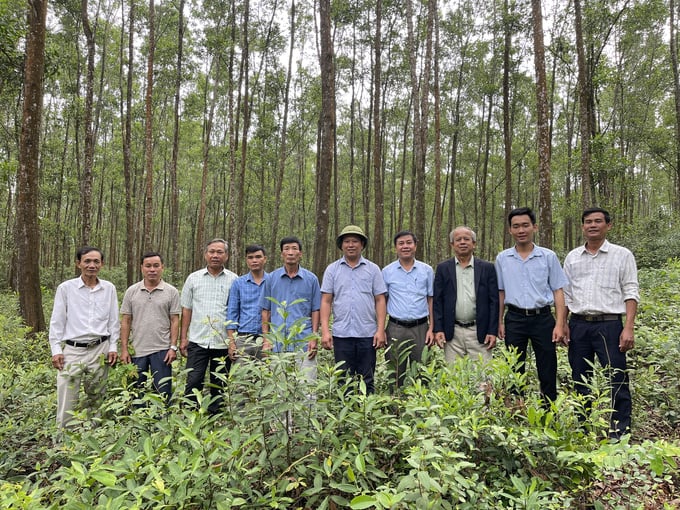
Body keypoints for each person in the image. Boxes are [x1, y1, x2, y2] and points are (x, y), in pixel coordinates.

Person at [563, 207, 639, 439]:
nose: (593, 225)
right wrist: (562, 323)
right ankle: (584, 429)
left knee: (616, 377)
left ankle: (619, 431)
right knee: (580, 377)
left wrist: (628, 327)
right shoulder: (572, 257)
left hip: (609, 325)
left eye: (598, 221)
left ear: (608, 225)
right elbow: (566, 293)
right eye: (588, 221)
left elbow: (631, 290)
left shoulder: (622, 255)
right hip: (578, 325)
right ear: (582, 226)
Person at [495, 207, 568, 403]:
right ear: (510, 230)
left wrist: (560, 324)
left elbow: (558, 291)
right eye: (516, 226)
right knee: (514, 367)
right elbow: (500, 292)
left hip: (542, 318)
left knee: (547, 366)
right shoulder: (503, 258)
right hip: (514, 318)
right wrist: (499, 321)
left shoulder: (548, 256)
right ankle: (516, 409)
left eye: (525, 225)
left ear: (534, 227)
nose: (521, 230)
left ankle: (548, 409)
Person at [48, 246, 120, 428]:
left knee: (97, 396)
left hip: (100, 348)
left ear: (102, 264)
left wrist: (113, 347)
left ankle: (94, 436)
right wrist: (56, 350)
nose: (92, 265)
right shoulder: (66, 288)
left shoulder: (109, 288)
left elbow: (113, 320)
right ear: (78, 263)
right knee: (67, 397)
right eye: (87, 261)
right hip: (72, 350)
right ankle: (63, 439)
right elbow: (57, 321)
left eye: (96, 261)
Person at [320, 225, 387, 394]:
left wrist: (380, 330)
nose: (351, 245)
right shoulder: (332, 269)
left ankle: (368, 415)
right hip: (341, 334)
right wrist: (325, 331)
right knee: (343, 379)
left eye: (355, 241)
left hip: (367, 334)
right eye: (347, 241)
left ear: (362, 245)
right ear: (341, 245)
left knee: (368, 378)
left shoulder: (373, 269)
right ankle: (346, 416)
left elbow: (380, 300)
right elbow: (326, 301)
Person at [180, 238, 238, 415]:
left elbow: (235, 311)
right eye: (212, 251)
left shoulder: (234, 280)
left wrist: (232, 341)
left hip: (222, 341)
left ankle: (215, 417)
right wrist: (183, 338)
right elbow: (187, 309)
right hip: (198, 340)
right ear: (206, 254)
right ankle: (190, 415)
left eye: (220, 252)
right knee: (194, 380)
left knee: (218, 383)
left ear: (226, 256)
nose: (215, 255)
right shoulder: (193, 278)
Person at [120, 252, 180, 402]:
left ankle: (162, 421)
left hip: (162, 350)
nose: (152, 269)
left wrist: (173, 347)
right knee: (135, 392)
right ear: (142, 268)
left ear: (162, 268)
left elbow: (174, 320)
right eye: (148, 266)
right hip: (137, 350)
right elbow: (126, 320)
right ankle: (136, 421)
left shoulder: (171, 292)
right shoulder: (132, 291)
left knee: (162, 393)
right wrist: (124, 348)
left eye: (156, 266)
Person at [433, 226, 499, 364]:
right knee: (453, 378)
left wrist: (493, 331)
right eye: (458, 239)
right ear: (452, 244)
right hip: (453, 333)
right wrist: (438, 329)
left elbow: (494, 302)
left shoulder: (487, 268)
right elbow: (437, 301)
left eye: (466, 239)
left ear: (474, 244)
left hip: (479, 331)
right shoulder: (443, 268)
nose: (462, 242)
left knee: (483, 378)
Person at [261, 237, 321, 378]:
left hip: (303, 343)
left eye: (294, 248)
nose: (290, 252)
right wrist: (266, 339)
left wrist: (314, 338)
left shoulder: (311, 279)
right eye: (286, 249)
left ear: (300, 253)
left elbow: (315, 310)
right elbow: (266, 311)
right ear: (282, 254)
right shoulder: (271, 279)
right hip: (277, 343)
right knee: (280, 390)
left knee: (307, 388)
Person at [382, 230, 435, 389]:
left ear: (415, 246)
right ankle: (395, 407)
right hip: (395, 328)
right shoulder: (387, 271)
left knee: (422, 371)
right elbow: (382, 301)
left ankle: (421, 408)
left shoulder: (426, 270)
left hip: (421, 328)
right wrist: (380, 329)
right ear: (396, 248)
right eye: (401, 243)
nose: (405, 246)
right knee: (395, 371)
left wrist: (432, 328)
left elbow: (431, 299)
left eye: (409, 243)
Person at [227, 245, 269, 363]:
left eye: (258, 257)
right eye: (250, 257)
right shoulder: (238, 283)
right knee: (241, 379)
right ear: (246, 260)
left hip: (267, 339)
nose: (254, 260)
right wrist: (231, 343)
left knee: (266, 378)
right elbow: (232, 314)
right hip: (243, 339)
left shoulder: (273, 281)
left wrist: (269, 340)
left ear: (264, 259)